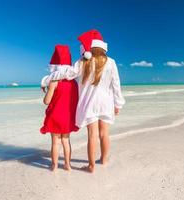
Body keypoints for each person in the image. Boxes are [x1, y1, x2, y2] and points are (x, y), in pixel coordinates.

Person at [41, 30, 125, 173]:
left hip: (89, 103)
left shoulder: (83, 61)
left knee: (92, 135)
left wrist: (47, 80)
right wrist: (118, 104)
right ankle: (104, 159)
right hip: (106, 102)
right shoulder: (111, 62)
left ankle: (91, 166)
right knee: (104, 134)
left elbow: (66, 73)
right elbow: (116, 85)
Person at [40, 45, 79, 171]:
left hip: (55, 117)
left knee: (55, 142)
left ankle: (54, 165)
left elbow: (46, 101)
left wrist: (46, 90)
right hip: (67, 117)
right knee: (66, 141)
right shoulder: (74, 83)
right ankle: (68, 164)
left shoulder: (54, 82)